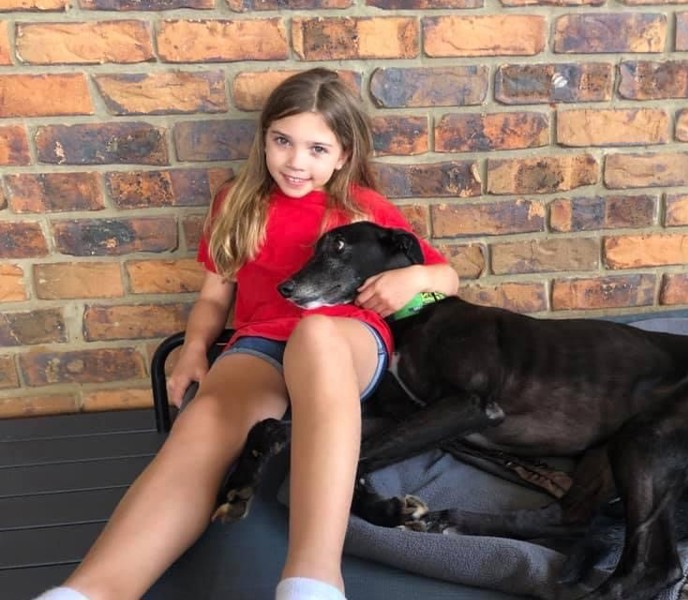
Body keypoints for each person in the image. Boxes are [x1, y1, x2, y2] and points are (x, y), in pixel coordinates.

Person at [36, 68, 459, 600]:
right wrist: (194, 349)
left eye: (316, 149)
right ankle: (89, 591)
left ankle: (313, 581)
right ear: (264, 138)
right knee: (208, 417)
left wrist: (413, 278)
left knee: (316, 336)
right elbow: (215, 298)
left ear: (343, 155)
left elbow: (446, 277)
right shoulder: (237, 202)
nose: (296, 161)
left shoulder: (364, 208)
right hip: (262, 344)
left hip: (343, 339)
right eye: (282, 141)